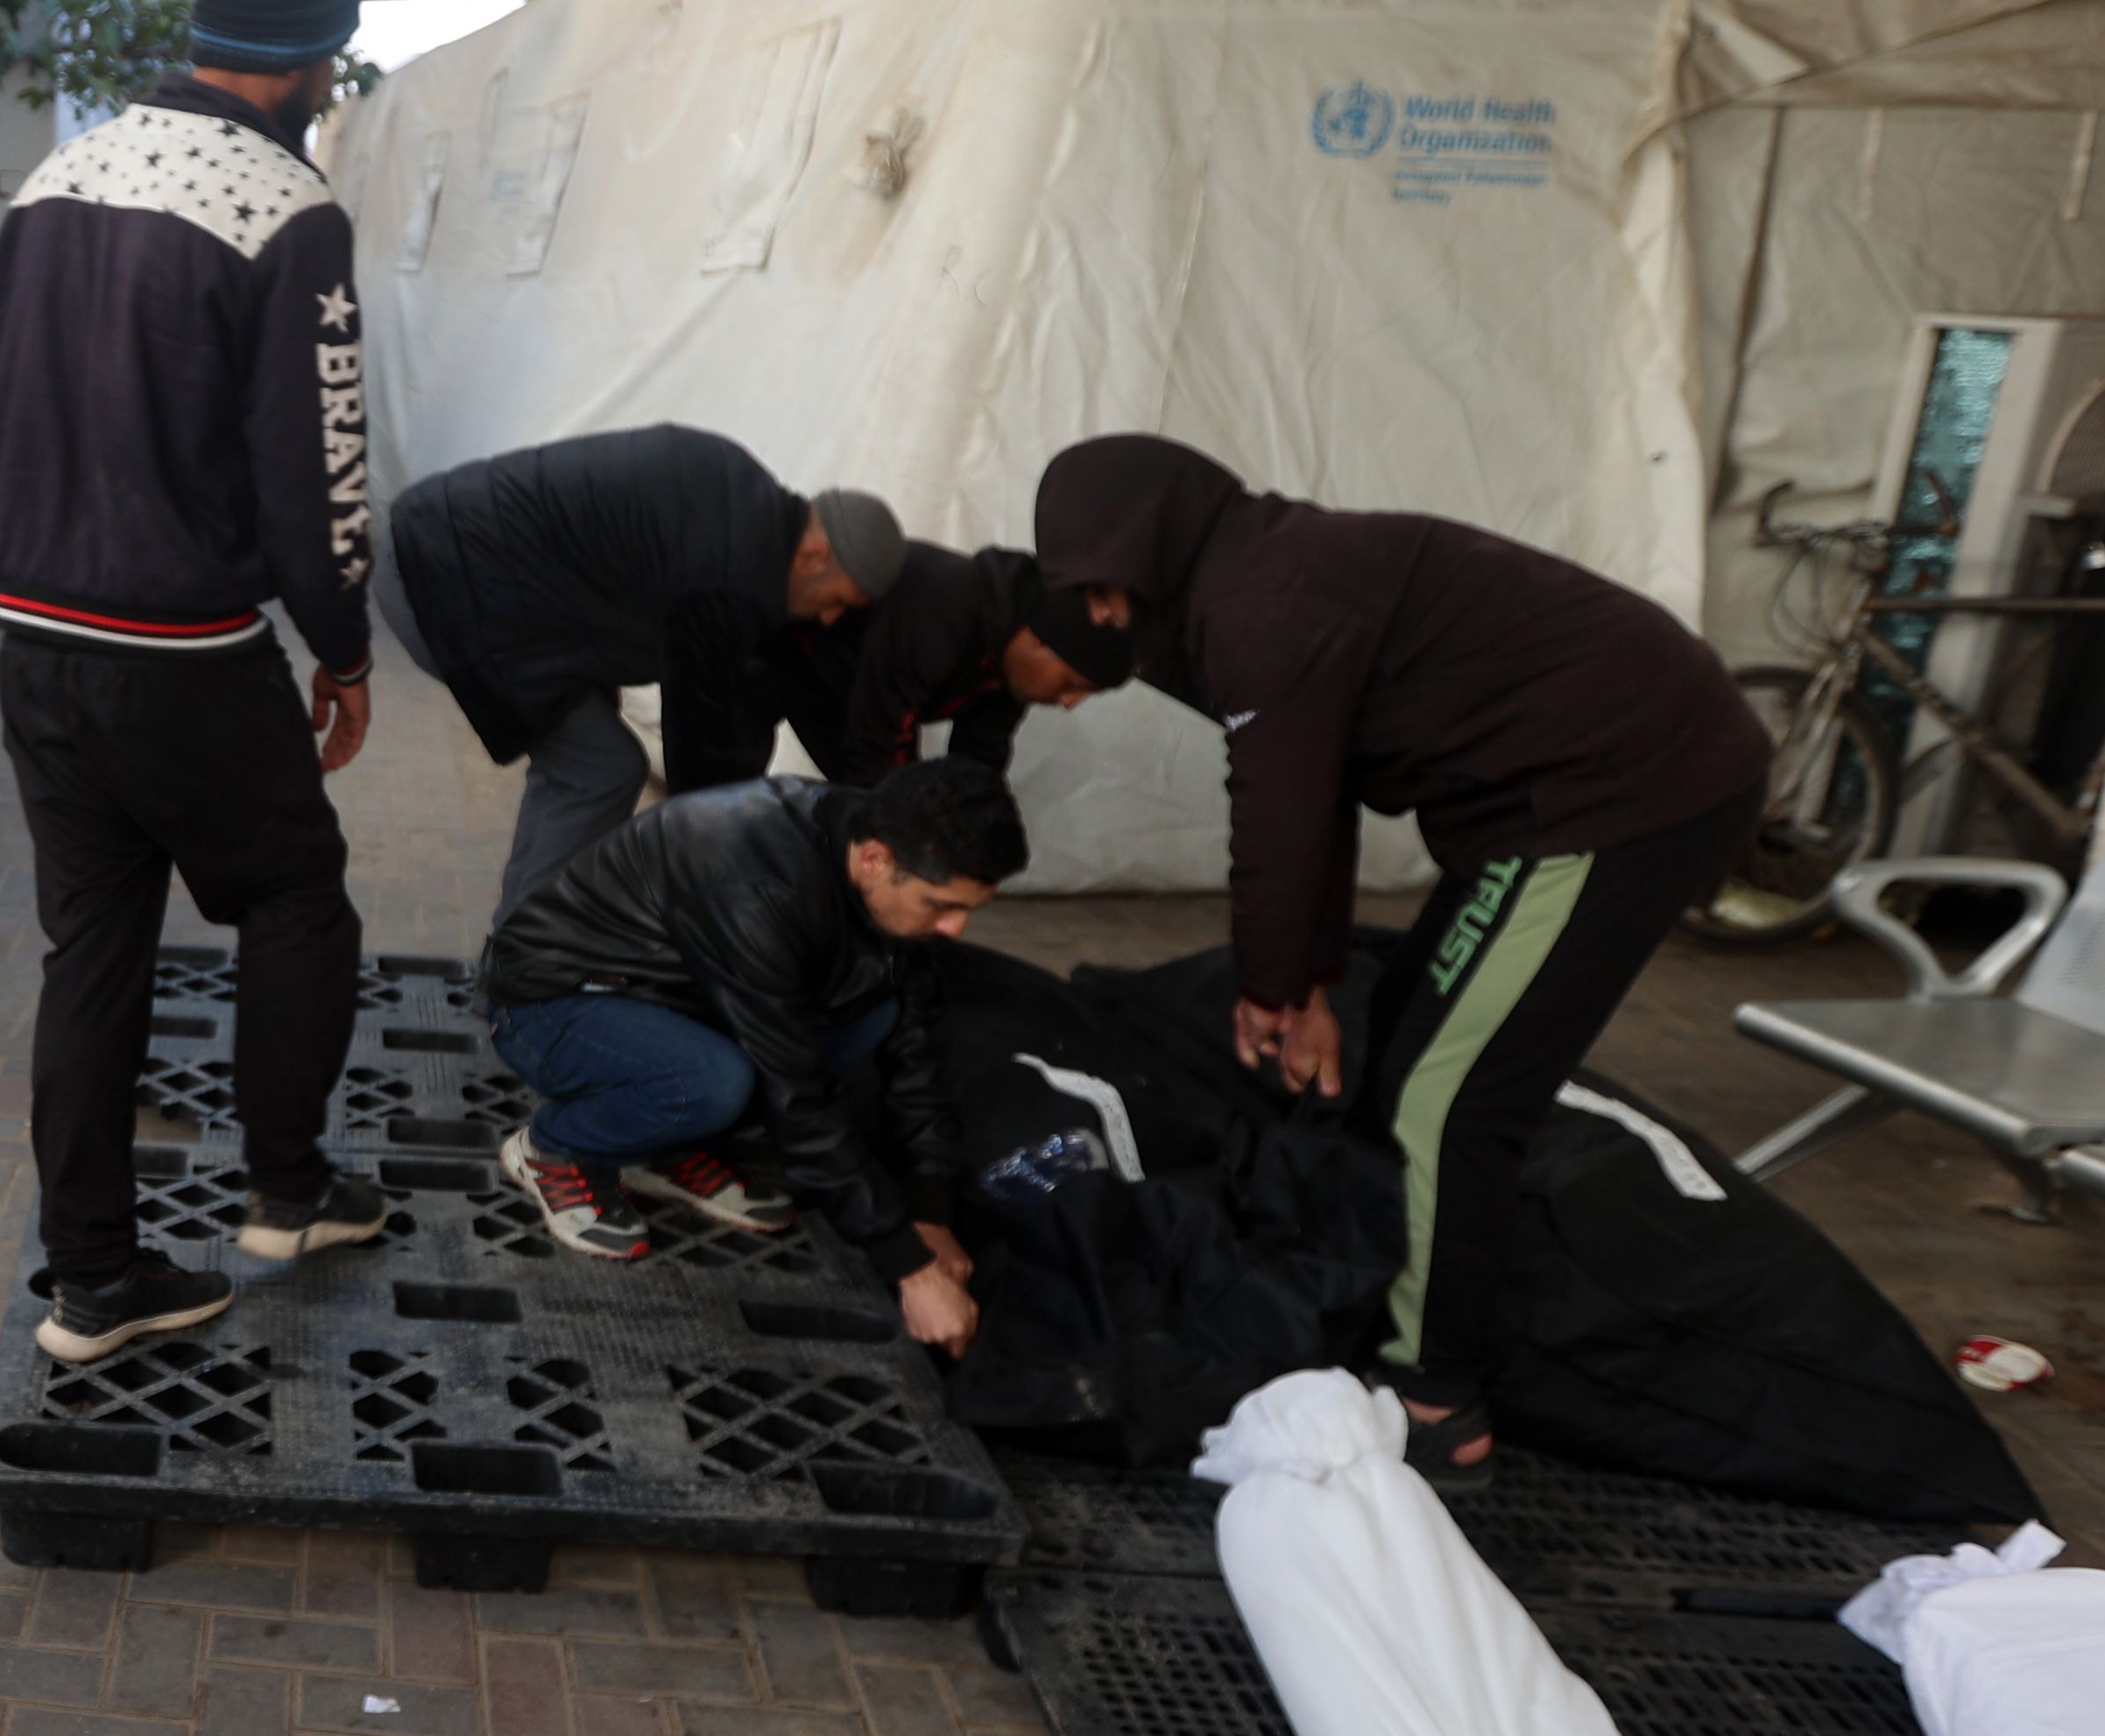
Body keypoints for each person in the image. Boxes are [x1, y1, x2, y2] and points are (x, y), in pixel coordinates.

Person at [1030, 434, 1769, 1471]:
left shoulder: (1262, 607)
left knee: (1450, 1094)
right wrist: (1307, 985)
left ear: (1145, 543)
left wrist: (1273, 990)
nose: (1103, 616)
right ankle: (1410, 1282)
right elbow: (1317, 796)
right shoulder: (1257, 571)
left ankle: (1437, 1399)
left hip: (1619, 791)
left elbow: (1280, 820)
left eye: (1101, 588)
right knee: (1411, 1039)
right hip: (1548, 799)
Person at [0, 0, 390, 1364]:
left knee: (91, 950)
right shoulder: (288, 210)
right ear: (313, 57)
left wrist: (59, 539)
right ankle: (286, 1186)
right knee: (293, 895)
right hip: (188, 654)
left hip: (34, 646)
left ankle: (93, 1280)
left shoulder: (58, 175)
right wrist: (341, 641)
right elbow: (318, 465)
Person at [475, 756, 1022, 1323]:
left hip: (677, 997)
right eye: (942, 906)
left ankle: (655, 1145)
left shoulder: (877, 850)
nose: (956, 928)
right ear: (876, 860)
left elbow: (916, 1056)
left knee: (875, 1017)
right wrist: (909, 1267)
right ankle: (558, 1149)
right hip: (551, 1002)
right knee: (713, 1082)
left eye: (969, 909)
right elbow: (797, 1091)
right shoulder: (753, 879)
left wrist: (930, 1213)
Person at [378, 423, 908, 921]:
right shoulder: (731, 579)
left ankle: (522, 947)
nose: (830, 617)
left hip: (437, 539)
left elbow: (603, 556)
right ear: (815, 556)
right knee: (600, 769)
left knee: (589, 764)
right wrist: (714, 874)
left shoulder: (737, 486)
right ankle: (526, 971)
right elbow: (701, 750)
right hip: (444, 580)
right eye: (839, 600)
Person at [682, 539, 1134, 790]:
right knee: (716, 796)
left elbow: (979, 759)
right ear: (1037, 641)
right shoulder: (946, 609)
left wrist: (969, 829)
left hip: (838, 688)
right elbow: (878, 741)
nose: (1070, 702)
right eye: (1074, 683)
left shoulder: (1010, 664)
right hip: (760, 647)